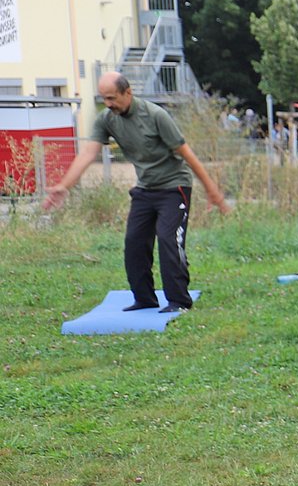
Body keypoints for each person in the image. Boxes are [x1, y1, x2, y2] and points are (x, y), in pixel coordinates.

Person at [42, 73, 232, 311]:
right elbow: (88, 153)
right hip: (145, 189)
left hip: (174, 187)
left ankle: (179, 301)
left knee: (168, 239)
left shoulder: (155, 115)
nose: (108, 103)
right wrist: (64, 186)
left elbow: (187, 154)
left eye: (112, 98)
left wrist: (212, 191)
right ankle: (144, 298)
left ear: (127, 93)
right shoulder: (107, 119)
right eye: (104, 98)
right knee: (134, 242)